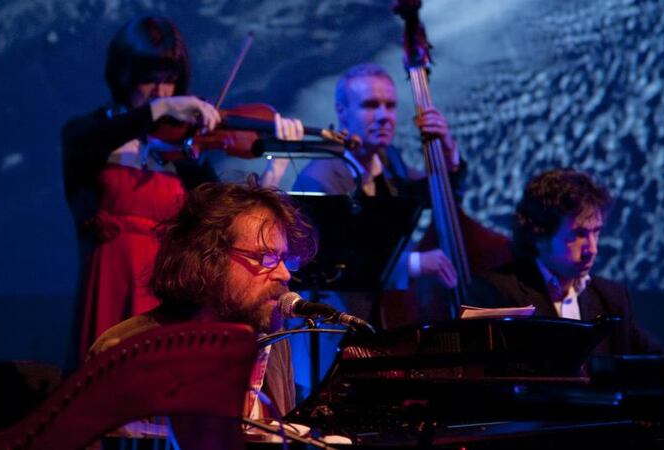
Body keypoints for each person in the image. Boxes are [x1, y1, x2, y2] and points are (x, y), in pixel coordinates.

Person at [61, 16, 300, 365]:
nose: (161, 92)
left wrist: (273, 170)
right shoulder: (91, 134)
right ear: (125, 74)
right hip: (111, 278)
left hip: (167, 287)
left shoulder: (185, 151)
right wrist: (161, 109)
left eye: (170, 82)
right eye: (149, 80)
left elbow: (223, 219)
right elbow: (85, 143)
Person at [89, 180, 318, 418]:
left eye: (284, 259)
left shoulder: (275, 343)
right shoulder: (127, 348)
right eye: (265, 257)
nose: (284, 273)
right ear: (207, 259)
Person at [292, 63, 466, 289]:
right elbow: (332, 262)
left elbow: (431, 195)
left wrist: (448, 151)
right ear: (342, 111)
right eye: (370, 105)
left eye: (390, 106)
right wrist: (413, 264)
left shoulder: (388, 157)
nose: (384, 116)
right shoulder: (319, 179)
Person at [467, 168, 662, 354]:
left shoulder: (611, 298)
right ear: (540, 236)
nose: (592, 249)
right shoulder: (498, 293)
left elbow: (655, 359)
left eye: (596, 232)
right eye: (578, 234)